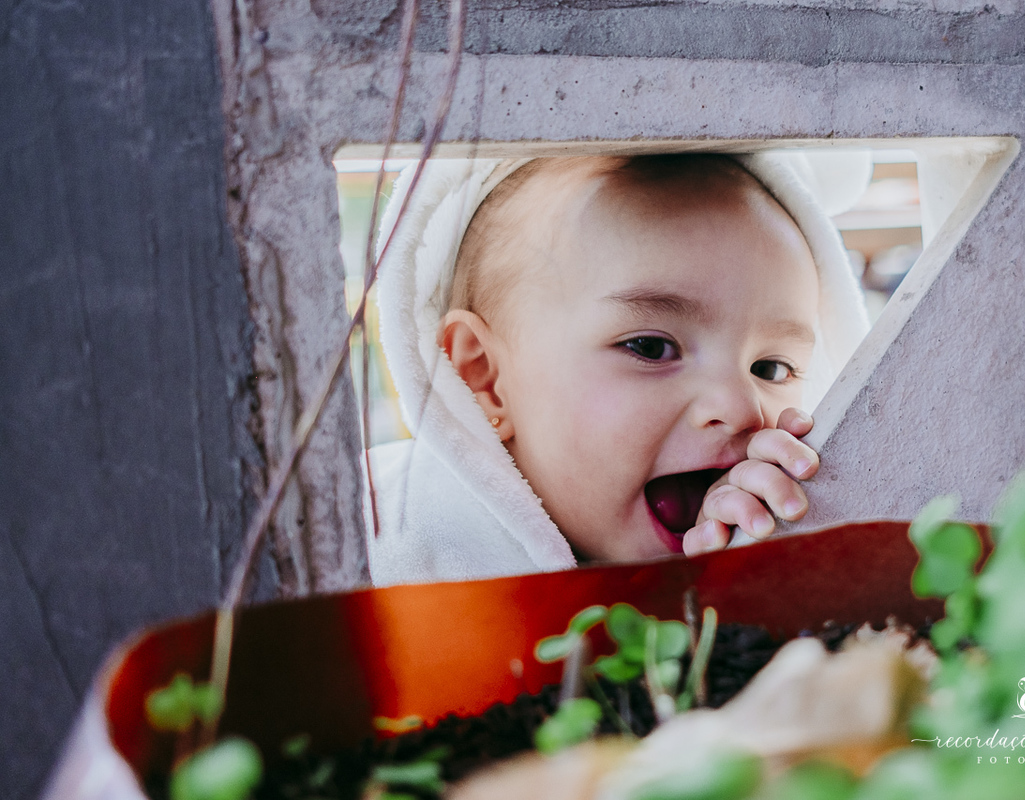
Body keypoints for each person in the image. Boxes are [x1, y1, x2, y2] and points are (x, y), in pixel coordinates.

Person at [366, 153, 870, 585]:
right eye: (651, 348)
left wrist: (752, 567)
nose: (743, 407)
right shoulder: (378, 542)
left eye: (772, 367)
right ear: (485, 381)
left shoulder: (781, 537)